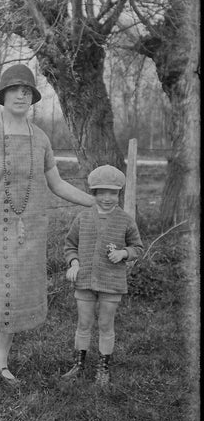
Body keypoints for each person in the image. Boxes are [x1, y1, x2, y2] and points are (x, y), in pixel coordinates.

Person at [0, 63, 95, 403]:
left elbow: (57, 183)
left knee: (16, 294)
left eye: (28, 91)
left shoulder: (41, 137)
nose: (21, 95)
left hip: (31, 231)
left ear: (32, 97)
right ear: (2, 95)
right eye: (15, 89)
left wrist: (94, 202)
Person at [61, 164, 144, 386]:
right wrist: (74, 262)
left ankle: (103, 368)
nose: (107, 198)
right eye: (102, 192)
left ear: (119, 193)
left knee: (106, 325)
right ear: (94, 193)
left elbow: (138, 247)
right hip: (84, 280)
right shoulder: (83, 218)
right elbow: (70, 245)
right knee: (84, 324)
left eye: (113, 193)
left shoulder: (125, 220)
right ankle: (79, 365)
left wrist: (124, 253)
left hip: (112, 282)